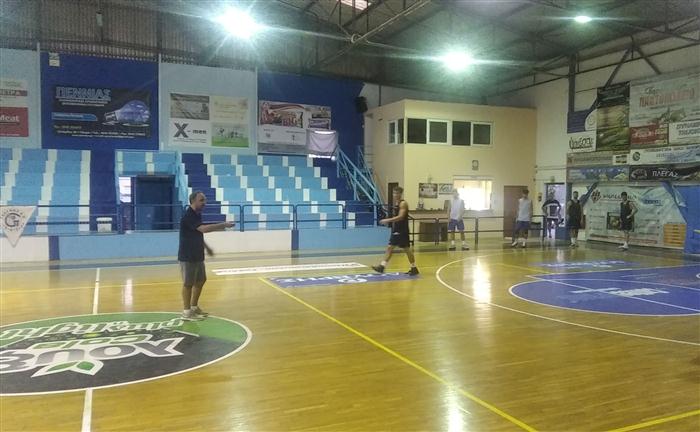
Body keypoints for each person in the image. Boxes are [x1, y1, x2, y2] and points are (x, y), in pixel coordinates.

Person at [178, 191, 234, 320]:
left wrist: (207, 248)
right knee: (188, 284)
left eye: (205, 200)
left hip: (197, 254)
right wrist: (223, 225)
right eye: (202, 200)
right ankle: (186, 312)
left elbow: (197, 234)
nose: (205, 203)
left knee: (200, 281)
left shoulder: (197, 215)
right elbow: (203, 229)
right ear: (193, 201)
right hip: (188, 255)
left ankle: (194, 307)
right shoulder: (189, 215)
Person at [372, 187, 419, 275]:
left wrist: (387, 220)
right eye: (394, 193)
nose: (395, 195)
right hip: (397, 229)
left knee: (392, 247)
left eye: (397, 193)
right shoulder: (397, 203)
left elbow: (401, 217)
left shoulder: (403, 203)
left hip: (401, 230)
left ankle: (382, 266)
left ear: (401, 194)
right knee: (404, 248)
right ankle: (413, 268)